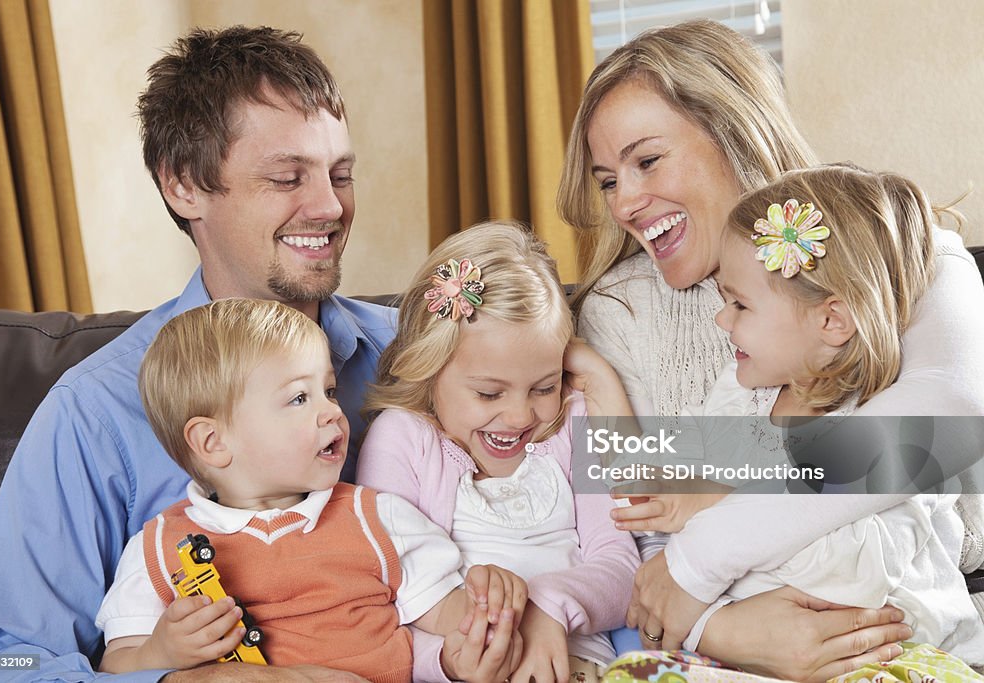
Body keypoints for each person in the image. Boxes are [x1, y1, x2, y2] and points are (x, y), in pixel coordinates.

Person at [0, 26, 397, 682]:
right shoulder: (95, 411)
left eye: (340, 174)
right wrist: (177, 678)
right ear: (184, 186)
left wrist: (594, 376)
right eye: (287, 177)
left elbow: (609, 496)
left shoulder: (423, 343)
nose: (331, 206)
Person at [556, 19, 984, 681]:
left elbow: (945, 425)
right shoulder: (617, 313)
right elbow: (638, 526)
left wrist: (714, 524)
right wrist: (720, 628)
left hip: (900, 628)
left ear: (732, 129)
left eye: (646, 160)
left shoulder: (890, 248)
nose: (626, 202)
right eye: (608, 179)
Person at [625, 165, 984, 680]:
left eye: (739, 304)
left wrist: (726, 500)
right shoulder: (738, 393)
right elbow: (668, 549)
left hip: (890, 653)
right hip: (747, 656)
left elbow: (856, 576)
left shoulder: (880, 417)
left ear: (832, 320)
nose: (721, 320)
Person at [97, 298, 526, 680]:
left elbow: (445, 613)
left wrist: (488, 609)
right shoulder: (157, 548)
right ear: (214, 443)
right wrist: (161, 651)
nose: (333, 414)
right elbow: (116, 663)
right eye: (300, 399)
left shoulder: (377, 517)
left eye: (329, 391)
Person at [356, 222, 641, 683]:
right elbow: (387, 593)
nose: (519, 416)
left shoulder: (571, 423)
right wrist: (446, 663)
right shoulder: (403, 440)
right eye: (489, 394)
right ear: (429, 373)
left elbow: (623, 566)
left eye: (543, 386)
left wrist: (547, 607)